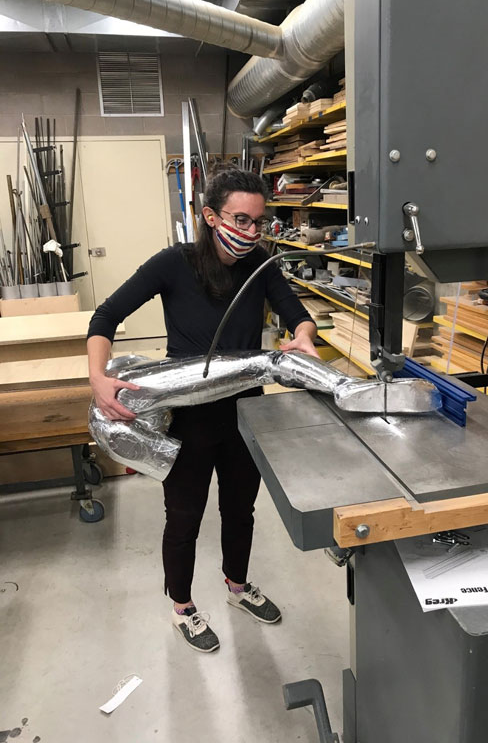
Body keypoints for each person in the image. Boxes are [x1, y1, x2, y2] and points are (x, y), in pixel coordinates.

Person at [87, 166, 318, 653]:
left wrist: (302, 336)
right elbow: (106, 315)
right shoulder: (176, 263)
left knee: (241, 510)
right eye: (240, 219)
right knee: (185, 515)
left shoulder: (261, 265)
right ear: (211, 216)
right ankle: (183, 608)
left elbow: (297, 314)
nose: (250, 232)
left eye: (259, 222)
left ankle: (237, 587)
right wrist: (98, 377)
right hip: (189, 416)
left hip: (246, 414)